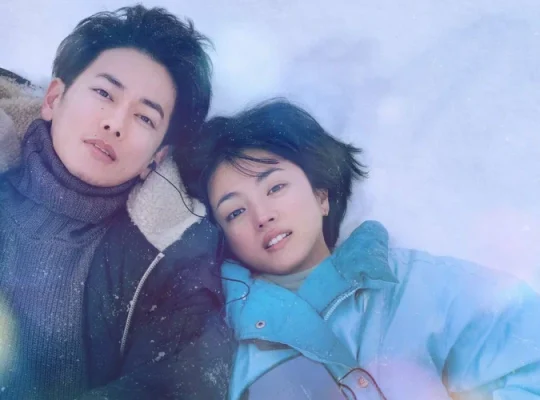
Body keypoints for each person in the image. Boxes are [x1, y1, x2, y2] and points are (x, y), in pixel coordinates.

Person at [180, 99, 540, 399]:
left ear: (321, 195)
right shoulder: (218, 338)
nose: (262, 216)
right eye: (235, 212)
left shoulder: (412, 285)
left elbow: (528, 353)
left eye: (275, 188)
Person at [0, 5, 233, 399]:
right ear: (54, 98)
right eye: (104, 93)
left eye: (145, 118)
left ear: (156, 159)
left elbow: (181, 385)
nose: (115, 123)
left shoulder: (172, 259)